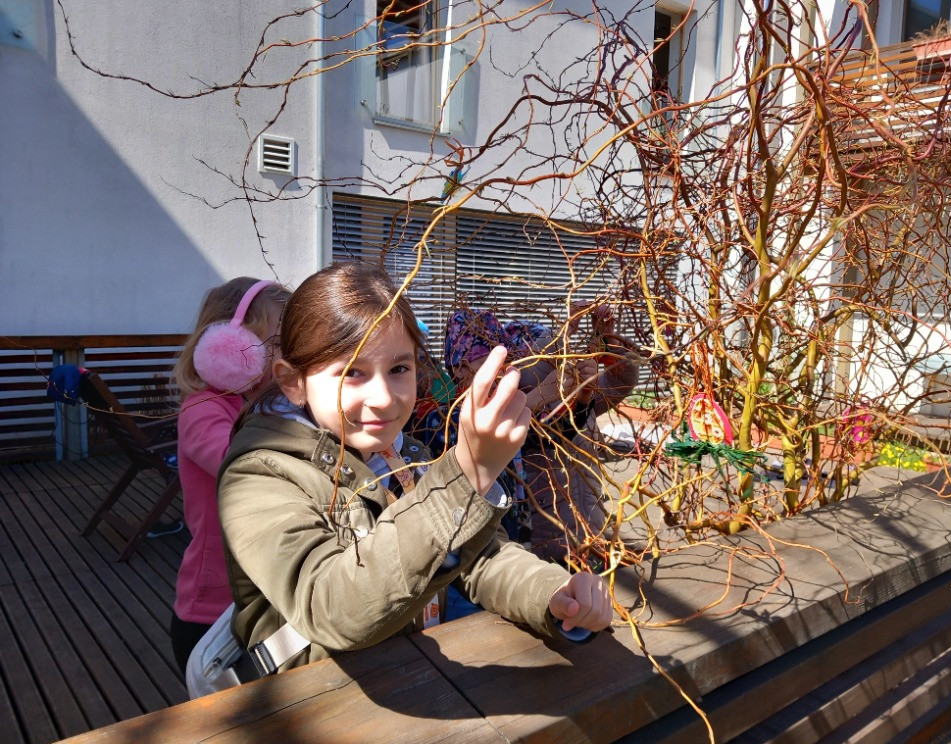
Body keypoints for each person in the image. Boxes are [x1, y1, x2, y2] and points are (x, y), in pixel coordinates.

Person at [214, 262, 612, 679]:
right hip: (312, 695)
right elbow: (330, 606)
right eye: (352, 372)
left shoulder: (404, 455)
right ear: (293, 382)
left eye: (398, 369)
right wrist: (467, 474)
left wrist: (551, 592)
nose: (384, 398)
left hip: (411, 674)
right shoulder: (258, 476)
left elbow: (476, 557)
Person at [443, 303, 641, 565]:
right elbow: (544, 434)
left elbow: (617, 383)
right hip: (546, 544)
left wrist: (606, 342)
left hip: (589, 532)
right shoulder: (512, 410)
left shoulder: (571, 395)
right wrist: (563, 336)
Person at [169, 276, 291, 674]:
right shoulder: (203, 409)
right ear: (229, 348)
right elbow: (242, 463)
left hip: (261, 596)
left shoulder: (265, 404)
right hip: (211, 612)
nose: (288, 355)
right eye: (276, 343)